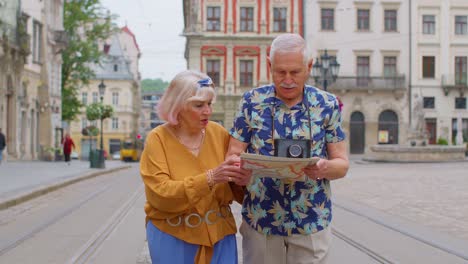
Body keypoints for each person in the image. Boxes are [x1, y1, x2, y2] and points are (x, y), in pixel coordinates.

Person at [227, 33, 349, 264]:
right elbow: (233, 153)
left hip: (311, 219)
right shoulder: (251, 101)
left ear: (309, 66)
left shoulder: (327, 104)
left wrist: (324, 168)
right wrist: (238, 171)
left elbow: (341, 165)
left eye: (295, 72)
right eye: (280, 72)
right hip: (261, 219)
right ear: (269, 65)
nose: (287, 80)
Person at [140, 70, 251, 264]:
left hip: (220, 235)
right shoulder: (158, 139)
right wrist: (209, 178)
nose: (207, 111)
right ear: (178, 107)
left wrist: (242, 181)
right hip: (172, 236)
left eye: (209, 104)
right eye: (199, 105)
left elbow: (236, 190)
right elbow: (160, 193)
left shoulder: (219, 133)